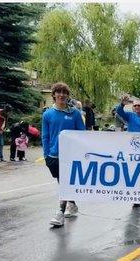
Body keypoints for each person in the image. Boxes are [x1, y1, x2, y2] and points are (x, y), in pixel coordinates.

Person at [42, 82, 85, 227]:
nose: (61, 95)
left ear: (67, 95)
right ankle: (72, 204)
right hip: (53, 155)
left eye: (64, 92)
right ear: (53, 95)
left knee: (65, 183)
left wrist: (79, 152)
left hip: (70, 156)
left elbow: (82, 135)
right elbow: (45, 136)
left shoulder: (75, 114)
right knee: (62, 182)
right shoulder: (48, 114)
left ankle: (60, 213)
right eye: (58, 92)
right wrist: (46, 154)